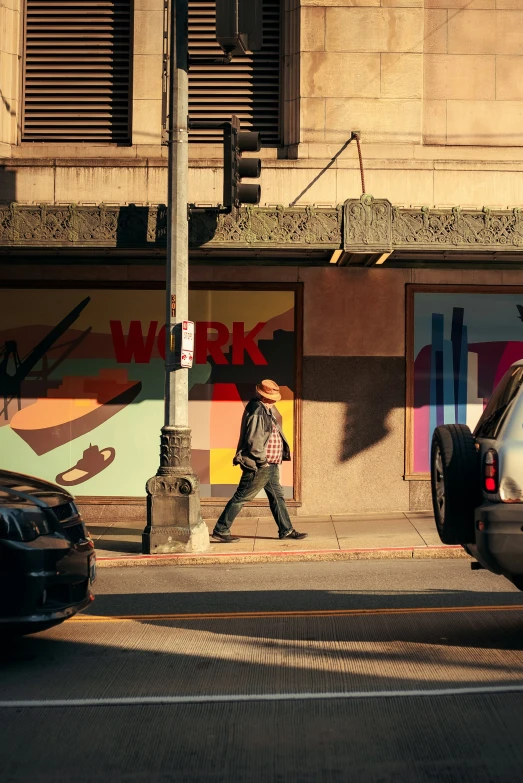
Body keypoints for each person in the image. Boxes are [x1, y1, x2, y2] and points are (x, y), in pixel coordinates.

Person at [211, 379, 308, 543]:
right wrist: (262, 463)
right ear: (266, 397)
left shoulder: (263, 409)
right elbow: (254, 440)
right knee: (242, 497)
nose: (275, 401)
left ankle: (286, 529)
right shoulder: (257, 410)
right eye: (273, 398)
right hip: (260, 465)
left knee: (277, 497)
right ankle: (221, 529)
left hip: (269, 464)